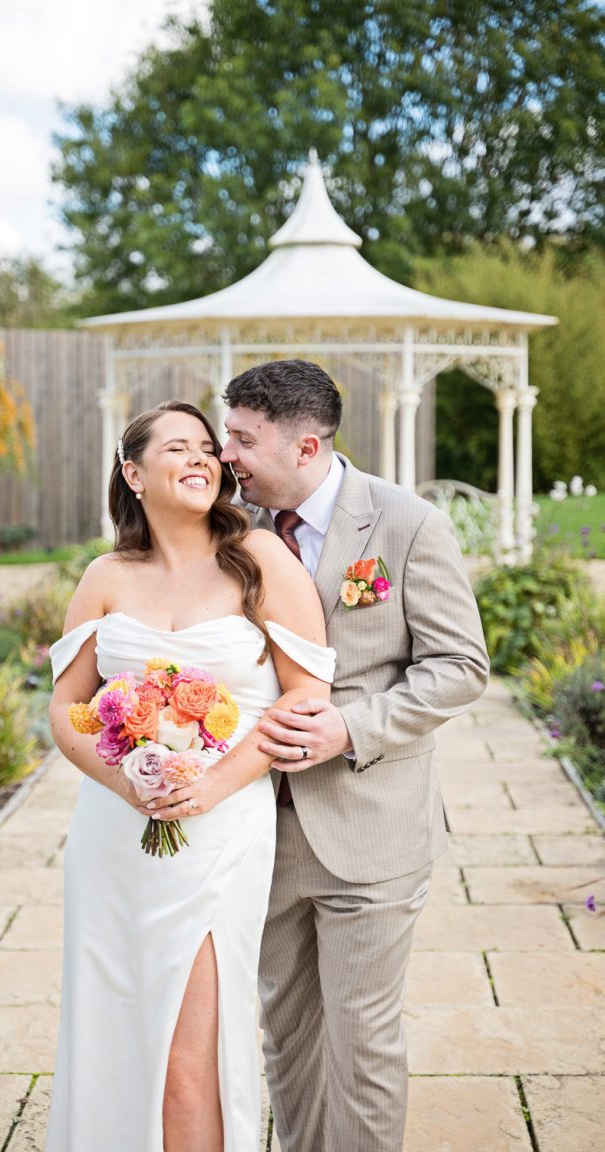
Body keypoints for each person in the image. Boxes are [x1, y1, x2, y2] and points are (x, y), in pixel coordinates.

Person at [43, 399, 335, 1152]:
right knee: (114, 1033)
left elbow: (307, 696)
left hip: (222, 826)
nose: (204, 458)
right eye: (179, 447)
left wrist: (207, 786)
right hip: (114, 835)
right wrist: (125, 784)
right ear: (133, 473)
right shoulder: (106, 575)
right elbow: (66, 710)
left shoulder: (262, 559)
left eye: (210, 447)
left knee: (188, 1057)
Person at [220, 360, 490, 1152]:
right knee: (288, 1038)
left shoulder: (406, 524)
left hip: (371, 834)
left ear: (306, 447)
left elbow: (460, 666)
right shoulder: (232, 527)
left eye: (243, 439)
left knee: (364, 1043)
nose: (227, 455)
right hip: (257, 830)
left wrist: (351, 728)